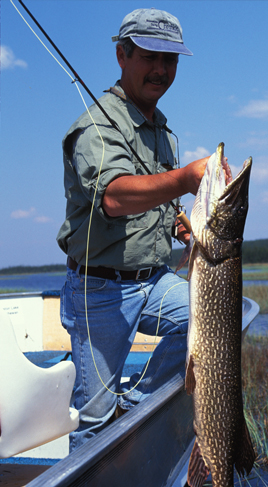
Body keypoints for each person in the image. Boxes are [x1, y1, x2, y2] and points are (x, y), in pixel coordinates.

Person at [56, 8, 209, 451]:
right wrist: (183, 178)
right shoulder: (95, 127)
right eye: (150, 56)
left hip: (154, 281)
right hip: (100, 291)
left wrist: (181, 229)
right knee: (93, 420)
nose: (161, 70)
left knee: (218, 322)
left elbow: (155, 204)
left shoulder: (164, 131)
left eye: (171, 60)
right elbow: (115, 197)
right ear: (122, 55)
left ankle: (137, 406)